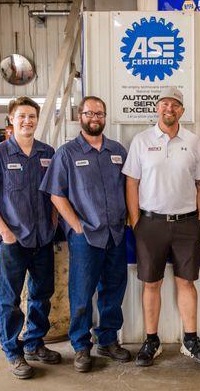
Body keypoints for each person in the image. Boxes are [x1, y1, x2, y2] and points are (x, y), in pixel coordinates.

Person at [122, 87, 200, 367]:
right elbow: (132, 182)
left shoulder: (194, 141)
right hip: (150, 223)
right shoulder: (141, 140)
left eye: (174, 105)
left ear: (182, 111)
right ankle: (151, 340)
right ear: (157, 109)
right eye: (164, 104)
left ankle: (190, 340)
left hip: (187, 224)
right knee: (152, 283)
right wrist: (136, 221)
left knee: (187, 282)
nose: (169, 109)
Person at [40, 96, 130, 372]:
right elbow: (56, 194)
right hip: (85, 238)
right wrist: (76, 226)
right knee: (81, 295)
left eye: (99, 113)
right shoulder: (67, 153)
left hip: (115, 234)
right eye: (89, 113)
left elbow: (130, 187)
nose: (95, 117)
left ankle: (108, 340)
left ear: (105, 116)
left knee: (113, 290)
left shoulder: (117, 151)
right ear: (80, 116)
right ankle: (80, 346)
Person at [0, 96, 60, 379]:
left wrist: (54, 222)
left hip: (43, 239)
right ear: (11, 120)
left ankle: (34, 343)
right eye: (21, 116)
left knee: (42, 294)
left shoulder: (47, 152)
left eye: (32, 116)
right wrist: (3, 232)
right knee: (10, 299)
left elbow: (55, 193)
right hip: (13, 241)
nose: (27, 121)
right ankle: (13, 352)